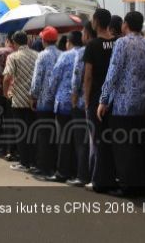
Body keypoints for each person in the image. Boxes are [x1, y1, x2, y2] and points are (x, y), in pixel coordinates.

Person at [97, 11, 145, 194]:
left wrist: (103, 100)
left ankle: (128, 186)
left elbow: (113, 73)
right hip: (141, 103)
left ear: (126, 25)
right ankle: (141, 184)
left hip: (122, 104)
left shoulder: (122, 43)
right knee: (138, 145)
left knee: (123, 147)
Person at [43, 30, 84, 182]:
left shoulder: (65, 55)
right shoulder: (85, 53)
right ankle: (76, 171)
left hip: (63, 102)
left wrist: (50, 96)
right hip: (80, 103)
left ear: (69, 42)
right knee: (78, 141)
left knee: (64, 139)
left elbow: (54, 78)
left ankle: (62, 172)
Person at [83, 9, 116, 189]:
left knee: (97, 140)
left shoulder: (92, 45)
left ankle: (98, 179)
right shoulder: (118, 43)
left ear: (95, 22)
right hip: (115, 99)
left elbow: (88, 76)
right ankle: (111, 177)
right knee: (112, 139)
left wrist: (87, 100)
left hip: (97, 98)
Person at [3, 31, 38, 172]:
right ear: (27, 41)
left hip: (18, 100)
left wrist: (6, 93)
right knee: (32, 131)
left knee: (21, 132)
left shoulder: (13, 57)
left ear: (14, 42)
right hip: (33, 100)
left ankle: (24, 163)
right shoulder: (37, 55)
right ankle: (34, 161)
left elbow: (6, 78)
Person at [30, 26, 61, 178]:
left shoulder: (42, 56)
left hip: (43, 102)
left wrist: (33, 96)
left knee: (43, 135)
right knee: (56, 136)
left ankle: (44, 167)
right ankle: (55, 165)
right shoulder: (62, 54)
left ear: (44, 40)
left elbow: (37, 79)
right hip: (58, 102)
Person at [68, 21, 96, 187]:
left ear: (87, 33)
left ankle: (82, 175)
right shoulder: (106, 47)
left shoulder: (82, 52)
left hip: (82, 103)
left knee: (81, 141)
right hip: (99, 101)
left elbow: (78, 77)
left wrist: (74, 98)